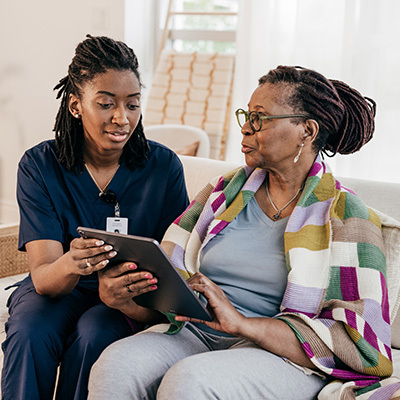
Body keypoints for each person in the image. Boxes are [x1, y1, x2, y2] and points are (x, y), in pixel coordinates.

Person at [88, 65, 393, 400]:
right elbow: (174, 288)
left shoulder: (347, 214)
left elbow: (358, 340)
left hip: (285, 356)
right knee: (115, 364)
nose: (246, 128)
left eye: (260, 118)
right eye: (246, 116)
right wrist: (127, 301)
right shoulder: (224, 193)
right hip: (199, 331)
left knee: (190, 380)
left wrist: (243, 324)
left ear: (306, 131)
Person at [1, 35, 189, 400]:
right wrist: (74, 262)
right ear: (75, 105)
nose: (122, 118)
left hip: (125, 297)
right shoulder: (40, 166)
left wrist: (130, 297)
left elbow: (175, 267)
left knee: (95, 334)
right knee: (29, 331)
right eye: (106, 104)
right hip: (61, 284)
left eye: (133, 105)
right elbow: (45, 280)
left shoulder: (163, 167)